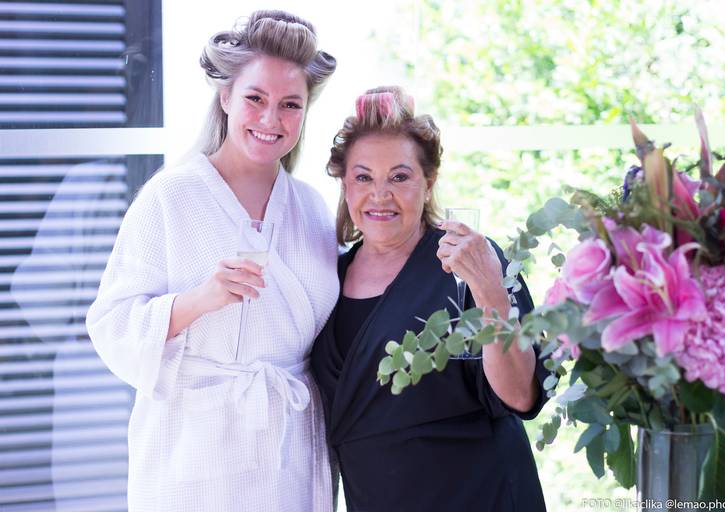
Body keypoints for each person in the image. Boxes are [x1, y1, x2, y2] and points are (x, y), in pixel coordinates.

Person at [86, 11, 338, 511]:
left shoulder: (312, 208)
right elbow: (110, 324)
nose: (271, 120)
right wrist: (199, 299)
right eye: (255, 98)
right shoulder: (170, 197)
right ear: (225, 97)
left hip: (288, 452)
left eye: (290, 104)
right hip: (193, 451)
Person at [311, 86, 550, 511]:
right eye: (363, 177)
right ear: (344, 184)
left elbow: (520, 395)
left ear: (428, 182)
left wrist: (491, 292)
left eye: (399, 177)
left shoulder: (472, 261)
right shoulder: (326, 277)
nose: (380, 195)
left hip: (481, 496)